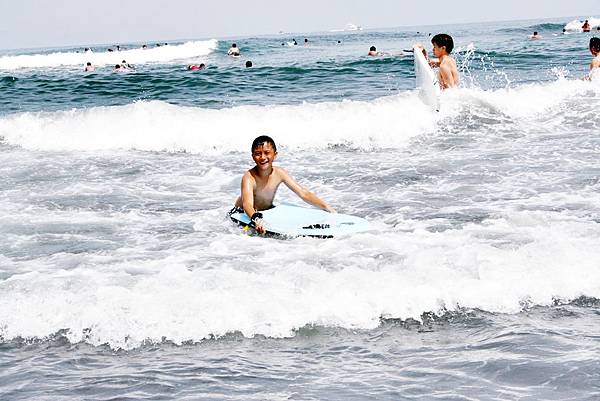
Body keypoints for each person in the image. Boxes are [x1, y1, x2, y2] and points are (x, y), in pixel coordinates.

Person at [233, 135, 335, 234]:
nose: (262, 157)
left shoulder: (279, 173)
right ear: (253, 156)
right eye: (258, 153)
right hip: (242, 213)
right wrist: (256, 219)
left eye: (267, 152)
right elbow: (247, 204)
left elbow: (303, 193)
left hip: (265, 211)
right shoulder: (249, 177)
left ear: (275, 154)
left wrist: (327, 207)